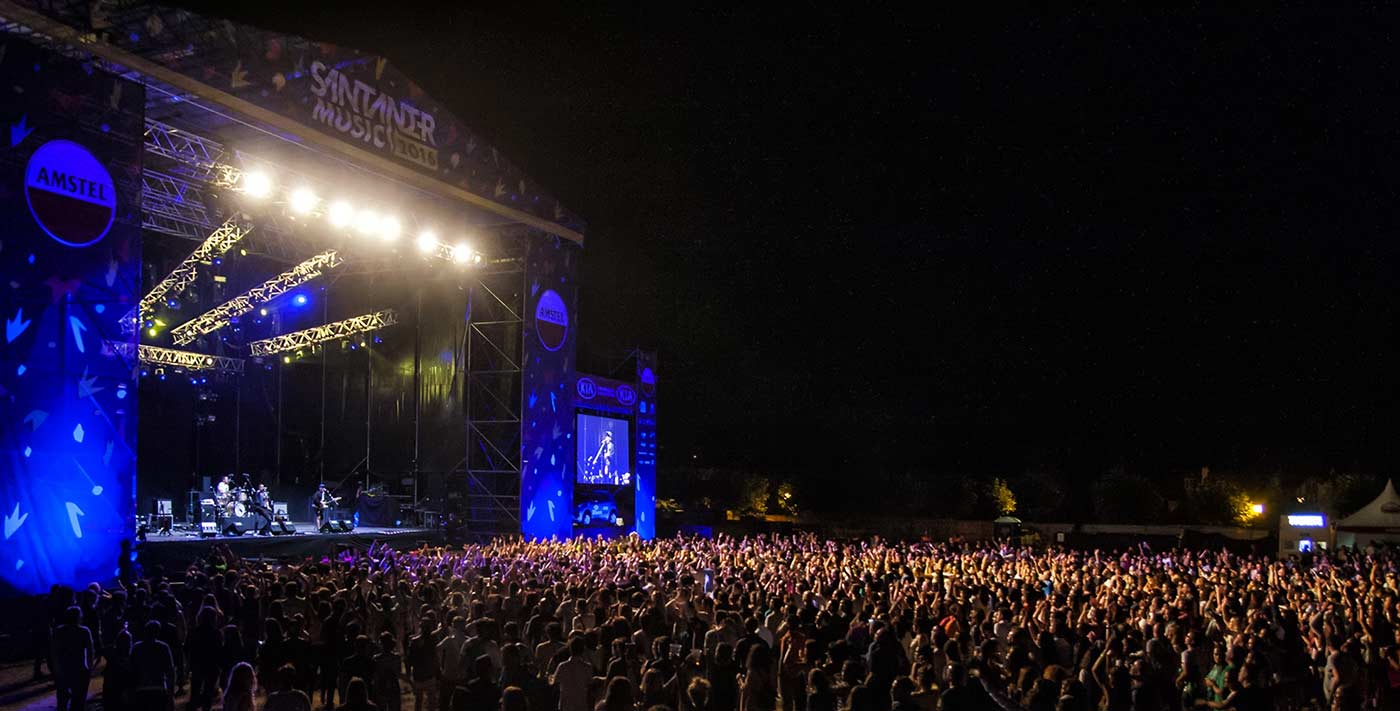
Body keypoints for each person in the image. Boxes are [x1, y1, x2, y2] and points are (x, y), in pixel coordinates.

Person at [51, 606, 94, 711]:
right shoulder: (84, 631)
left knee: (62, 699)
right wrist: (89, 667)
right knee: (78, 699)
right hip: (79, 668)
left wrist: (56, 668)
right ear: (79, 617)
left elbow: (54, 651)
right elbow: (90, 651)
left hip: (63, 667)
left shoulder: (59, 631)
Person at [553, 637, 594, 711]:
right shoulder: (587, 667)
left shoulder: (562, 666)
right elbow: (590, 684)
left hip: (566, 703)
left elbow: (555, 682)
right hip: (581, 703)